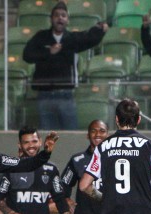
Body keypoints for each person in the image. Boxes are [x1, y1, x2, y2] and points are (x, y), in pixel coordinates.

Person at [23, 1, 108, 130]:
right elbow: (27, 55)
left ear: (67, 20)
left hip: (66, 94)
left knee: (70, 134)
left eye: (63, 15)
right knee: (48, 136)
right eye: (57, 15)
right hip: (44, 95)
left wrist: (100, 30)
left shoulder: (72, 39)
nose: (60, 18)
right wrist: (48, 52)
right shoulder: (41, 37)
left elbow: (89, 38)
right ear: (51, 19)